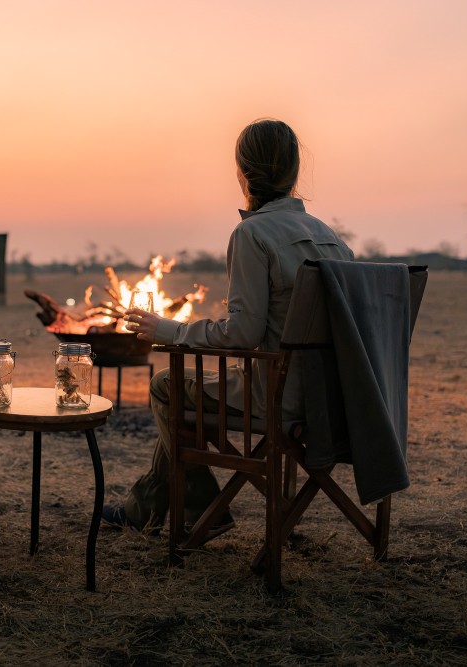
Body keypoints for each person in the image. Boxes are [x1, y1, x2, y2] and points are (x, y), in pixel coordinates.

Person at [102, 118, 354, 540]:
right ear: (294, 173)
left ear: (242, 173)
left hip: (278, 398)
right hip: (332, 397)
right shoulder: (332, 239)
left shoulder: (252, 234)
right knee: (184, 395)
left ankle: (204, 510)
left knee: (167, 384)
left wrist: (170, 329)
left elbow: (242, 334)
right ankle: (147, 506)